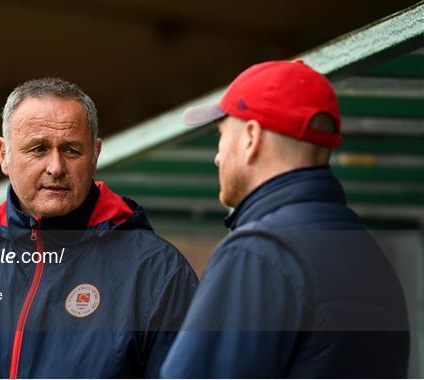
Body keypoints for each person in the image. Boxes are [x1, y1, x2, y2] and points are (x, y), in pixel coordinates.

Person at [0, 78, 198, 378]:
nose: (56, 167)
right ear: (4, 155)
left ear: (96, 154)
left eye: (72, 150)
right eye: (38, 149)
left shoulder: (157, 273)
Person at [161, 60, 410, 378]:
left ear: (250, 137)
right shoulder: (371, 256)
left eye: (221, 135)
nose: (218, 156)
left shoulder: (260, 251)